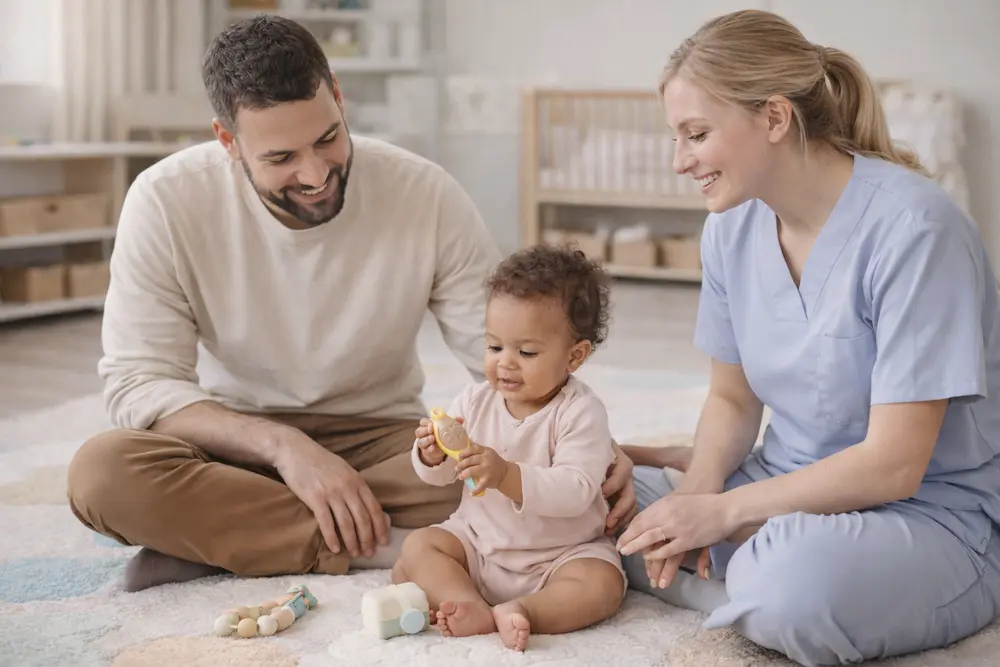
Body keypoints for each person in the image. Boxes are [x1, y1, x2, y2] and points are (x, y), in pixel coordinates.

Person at [64, 15, 639, 593]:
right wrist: (286, 449)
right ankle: (380, 549)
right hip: (238, 442)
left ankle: (230, 542)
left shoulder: (425, 192)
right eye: (280, 158)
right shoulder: (165, 201)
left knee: (490, 474)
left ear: (338, 97)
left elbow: (506, 353)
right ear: (227, 142)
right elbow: (139, 383)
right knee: (103, 475)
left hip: (383, 443)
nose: (315, 174)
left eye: (327, 138)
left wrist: (592, 454)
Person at [614, 8, 1000, 667]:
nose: (680, 161)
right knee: (591, 492)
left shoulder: (916, 230)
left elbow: (894, 464)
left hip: (926, 517)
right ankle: (724, 573)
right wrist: (696, 492)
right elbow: (733, 402)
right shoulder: (731, 230)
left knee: (790, 586)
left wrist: (724, 511)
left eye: (696, 133)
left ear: (773, 117)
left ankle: (732, 585)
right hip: (777, 489)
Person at [393, 245, 626, 651]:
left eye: (527, 352)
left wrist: (506, 474)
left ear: (575, 356)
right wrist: (431, 456)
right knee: (417, 548)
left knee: (602, 584)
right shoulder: (474, 399)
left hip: (558, 556)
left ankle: (527, 609)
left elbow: (576, 490)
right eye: (494, 347)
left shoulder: (581, 413)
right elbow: (447, 472)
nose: (505, 363)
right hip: (479, 544)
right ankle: (471, 605)